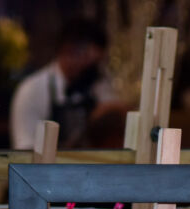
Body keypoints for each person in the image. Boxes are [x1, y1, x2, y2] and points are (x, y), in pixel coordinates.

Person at [10, 19, 114, 149]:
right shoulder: (32, 91)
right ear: (69, 51)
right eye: (91, 63)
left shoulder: (97, 84)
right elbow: (26, 150)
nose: (95, 70)